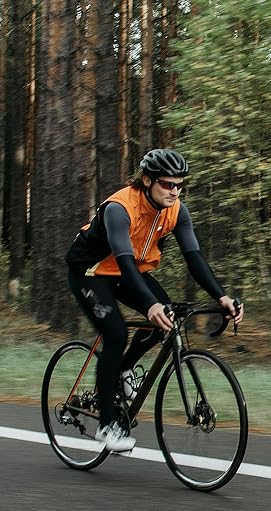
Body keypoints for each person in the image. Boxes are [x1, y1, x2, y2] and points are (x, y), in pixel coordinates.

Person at [65, 148, 244, 452]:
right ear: (147, 181)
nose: (175, 191)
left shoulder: (176, 210)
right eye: (167, 184)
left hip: (127, 271)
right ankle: (107, 425)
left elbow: (194, 258)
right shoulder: (120, 208)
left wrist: (222, 296)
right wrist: (149, 305)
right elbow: (123, 258)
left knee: (167, 319)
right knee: (116, 332)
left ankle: (123, 370)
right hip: (91, 272)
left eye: (179, 185)